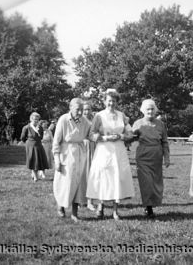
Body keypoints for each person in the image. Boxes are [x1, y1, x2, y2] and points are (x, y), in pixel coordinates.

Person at [86, 89, 135, 220]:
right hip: (104, 150)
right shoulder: (99, 116)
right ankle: (100, 206)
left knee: (116, 177)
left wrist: (121, 136)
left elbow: (131, 133)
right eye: (109, 101)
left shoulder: (122, 116)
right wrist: (105, 138)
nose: (111, 103)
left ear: (117, 102)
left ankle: (115, 210)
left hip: (118, 150)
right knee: (103, 177)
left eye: (113, 101)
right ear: (104, 102)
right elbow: (91, 134)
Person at [53, 98, 91, 222]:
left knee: (79, 185)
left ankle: (75, 213)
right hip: (66, 154)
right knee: (65, 183)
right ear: (70, 107)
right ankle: (61, 206)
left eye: (81, 110)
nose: (80, 113)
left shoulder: (85, 121)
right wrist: (57, 160)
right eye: (77, 110)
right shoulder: (63, 119)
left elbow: (92, 134)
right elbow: (56, 142)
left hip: (80, 154)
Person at [132, 99, 170, 218]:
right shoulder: (138, 123)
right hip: (143, 155)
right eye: (148, 109)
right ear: (143, 110)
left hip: (156, 155)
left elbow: (165, 142)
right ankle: (148, 207)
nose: (150, 111)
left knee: (155, 182)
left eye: (152, 109)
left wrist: (167, 157)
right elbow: (130, 137)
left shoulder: (160, 124)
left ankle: (153, 204)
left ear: (155, 110)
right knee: (146, 182)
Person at [20, 112, 49, 182]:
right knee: (33, 160)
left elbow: (41, 137)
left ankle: (34, 174)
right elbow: (22, 138)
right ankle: (35, 177)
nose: (36, 120)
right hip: (30, 145)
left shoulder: (40, 127)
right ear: (31, 119)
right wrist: (28, 142)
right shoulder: (27, 127)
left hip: (39, 144)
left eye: (37, 119)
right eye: (34, 119)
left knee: (40, 160)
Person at [82, 100, 96, 211]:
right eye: (84, 109)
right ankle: (80, 199)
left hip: (92, 147)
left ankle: (90, 201)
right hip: (81, 147)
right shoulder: (79, 120)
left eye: (88, 109)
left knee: (91, 174)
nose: (86, 111)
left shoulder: (94, 120)